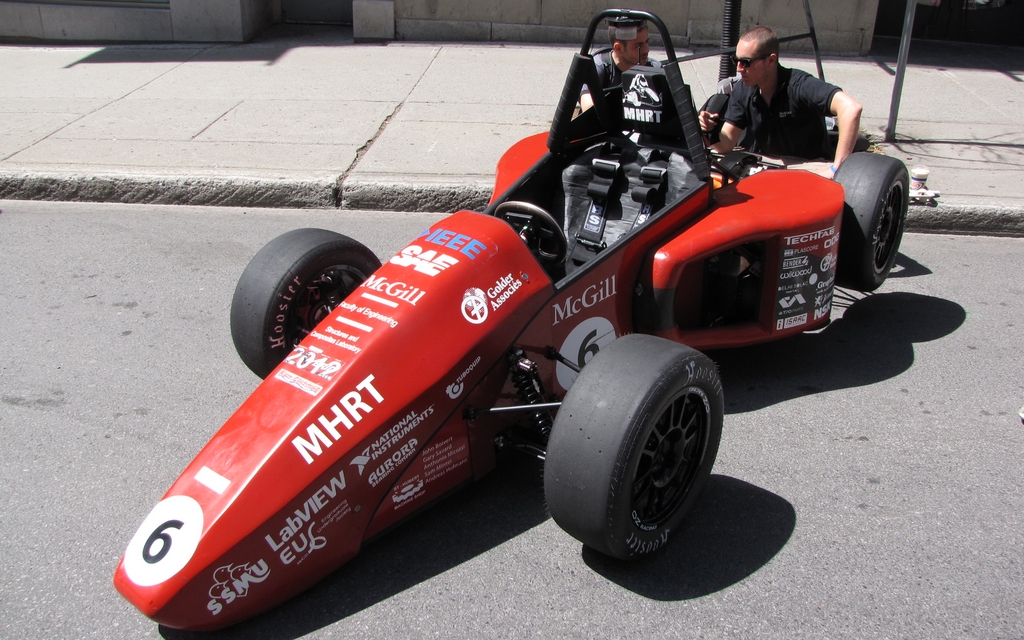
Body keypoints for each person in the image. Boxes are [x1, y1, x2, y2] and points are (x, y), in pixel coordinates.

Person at [698, 26, 863, 176]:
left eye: (746, 62)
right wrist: (709, 131)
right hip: (764, 166)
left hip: (807, 167)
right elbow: (726, 143)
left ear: (771, 60)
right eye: (736, 60)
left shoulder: (800, 85)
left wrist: (837, 167)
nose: (739, 68)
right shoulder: (743, 89)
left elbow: (851, 108)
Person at [578, 15, 662, 113]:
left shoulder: (654, 68)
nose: (647, 49)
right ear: (618, 48)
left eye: (647, 42)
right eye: (638, 46)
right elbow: (588, 109)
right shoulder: (598, 67)